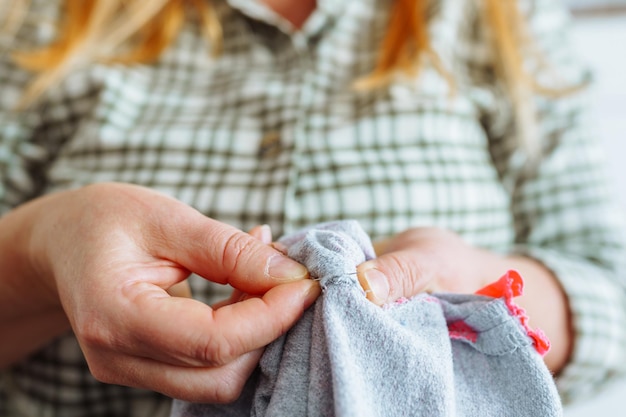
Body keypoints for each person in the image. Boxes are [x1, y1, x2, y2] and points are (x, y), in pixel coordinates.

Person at [0, 0, 624, 415]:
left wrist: (471, 285)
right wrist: (45, 247)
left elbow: (608, 288)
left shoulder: (498, 18)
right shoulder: (43, 21)